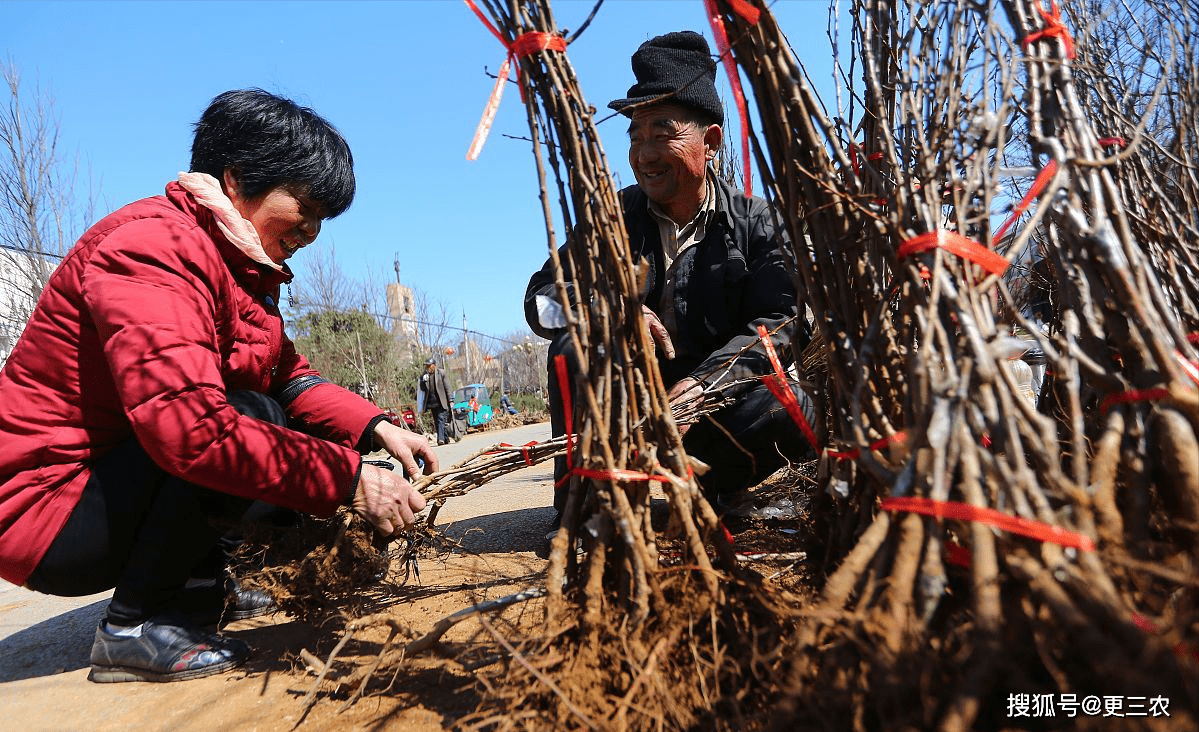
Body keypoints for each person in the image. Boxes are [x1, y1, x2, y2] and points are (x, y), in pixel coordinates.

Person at [0, 89, 436, 683]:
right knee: (240, 417)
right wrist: (349, 478)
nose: (311, 230)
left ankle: (201, 589)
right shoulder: (154, 247)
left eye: (322, 219)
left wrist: (376, 427)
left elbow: (288, 375)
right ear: (235, 181)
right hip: (46, 512)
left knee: (269, 413)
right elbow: (189, 431)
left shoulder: (235, 267)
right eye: (304, 207)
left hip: (103, 489)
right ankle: (135, 626)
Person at [524, 31, 816, 518]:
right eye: (635, 137)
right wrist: (609, 313)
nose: (644, 154)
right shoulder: (611, 219)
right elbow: (539, 299)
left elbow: (783, 321)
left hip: (709, 409)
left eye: (663, 133)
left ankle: (717, 487)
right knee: (573, 346)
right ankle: (589, 505)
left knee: (792, 406)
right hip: (625, 416)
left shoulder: (757, 221)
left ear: (712, 141)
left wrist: (705, 386)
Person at [418, 356, 452, 445]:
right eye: (426, 366)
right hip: (432, 404)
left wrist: (451, 400)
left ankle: (440, 439)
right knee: (437, 421)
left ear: (433, 365)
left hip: (441, 402)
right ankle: (445, 438)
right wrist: (423, 381)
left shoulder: (441, 373)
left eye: (429, 366)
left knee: (441, 420)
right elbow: (422, 389)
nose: (427, 368)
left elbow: (447, 387)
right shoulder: (425, 376)